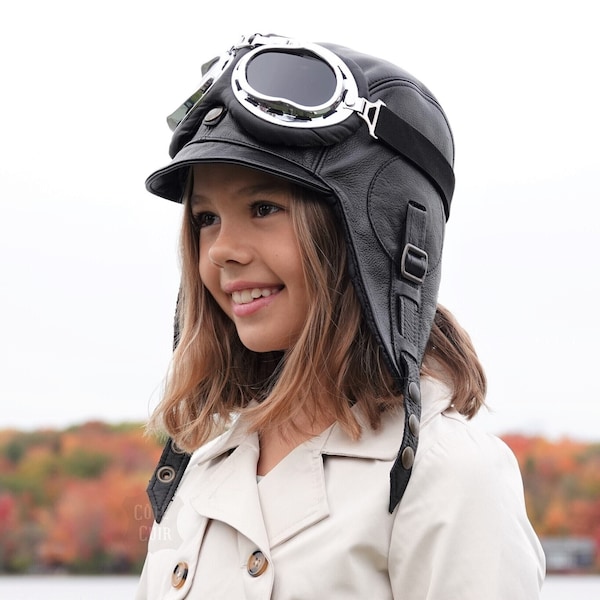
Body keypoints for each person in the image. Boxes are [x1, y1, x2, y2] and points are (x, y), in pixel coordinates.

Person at [136, 33, 545, 598]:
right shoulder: (202, 466)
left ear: (374, 236)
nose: (222, 250)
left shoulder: (447, 475)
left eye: (263, 209)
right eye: (206, 219)